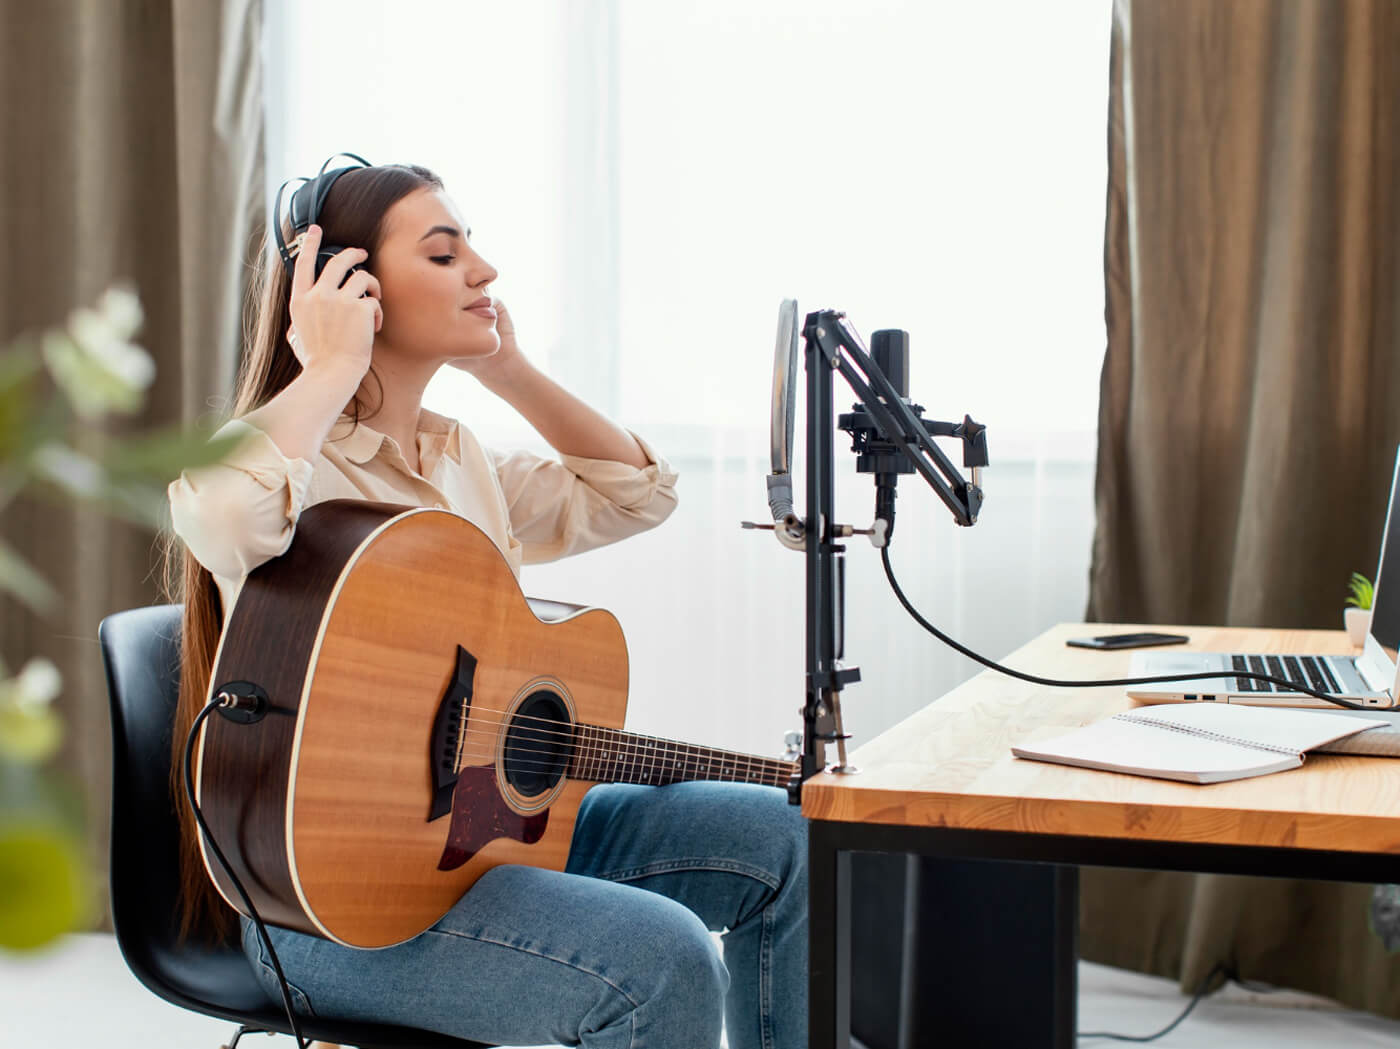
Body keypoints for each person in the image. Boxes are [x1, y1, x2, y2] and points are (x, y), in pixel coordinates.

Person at [161, 162, 808, 1049]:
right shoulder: (291, 463)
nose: (485, 271)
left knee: (788, 838)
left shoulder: (458, 459)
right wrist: (333, 364)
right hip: (333, 910)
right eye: (443, 252)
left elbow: (636, 494)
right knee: (664, 958)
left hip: (488, 847)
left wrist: (510, 371)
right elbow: (223, 510)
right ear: (354, 288)